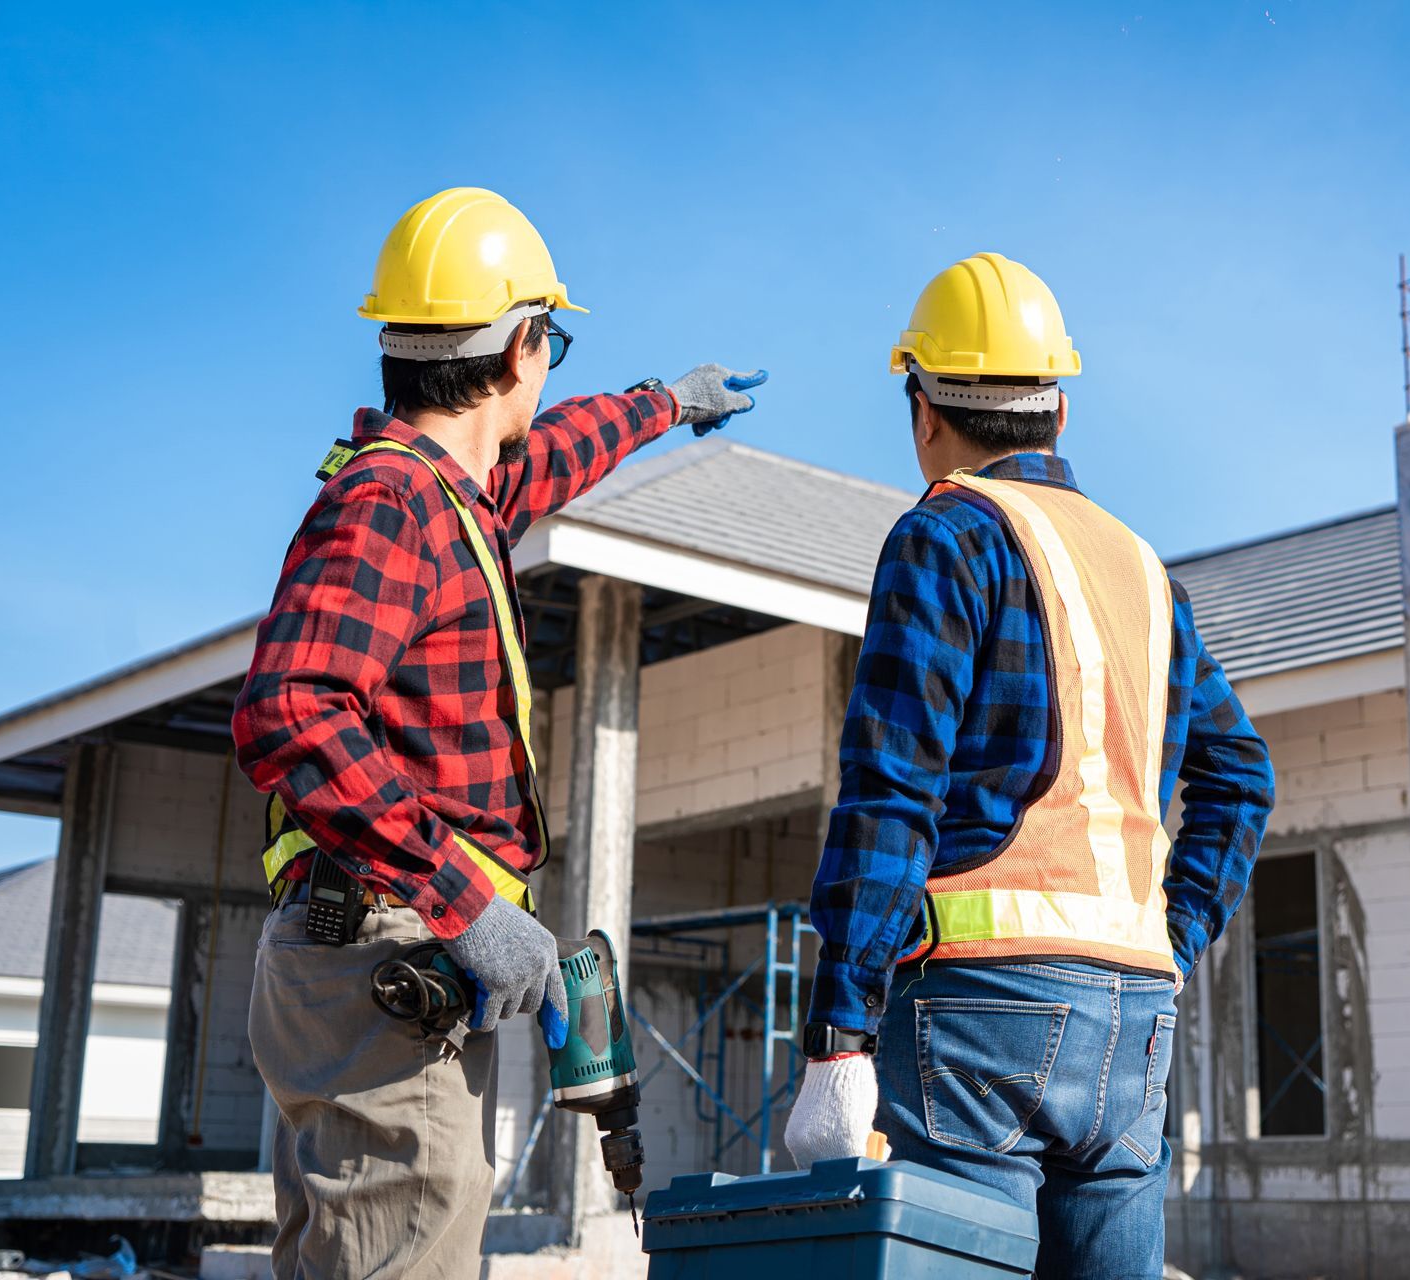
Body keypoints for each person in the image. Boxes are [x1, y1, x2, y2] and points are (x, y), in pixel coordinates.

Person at [231, 187, 765, 1280]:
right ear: (524, 345)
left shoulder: (456, 496)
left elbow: (558, 448)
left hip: (386, 961)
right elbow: (290, 706)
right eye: (551, 340)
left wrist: (666, 403)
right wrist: (465, 898)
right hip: (383, 955)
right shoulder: (393, 504)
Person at [784, 252, 1274, 1278]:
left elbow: (891, 789)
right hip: (1136, 1017)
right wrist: (1170, 935)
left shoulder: (946, 534)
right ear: (1060, 411)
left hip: (979, 1017)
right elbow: (1240, 773)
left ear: (924, 411)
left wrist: (837, 1032)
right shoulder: (1144, 570)